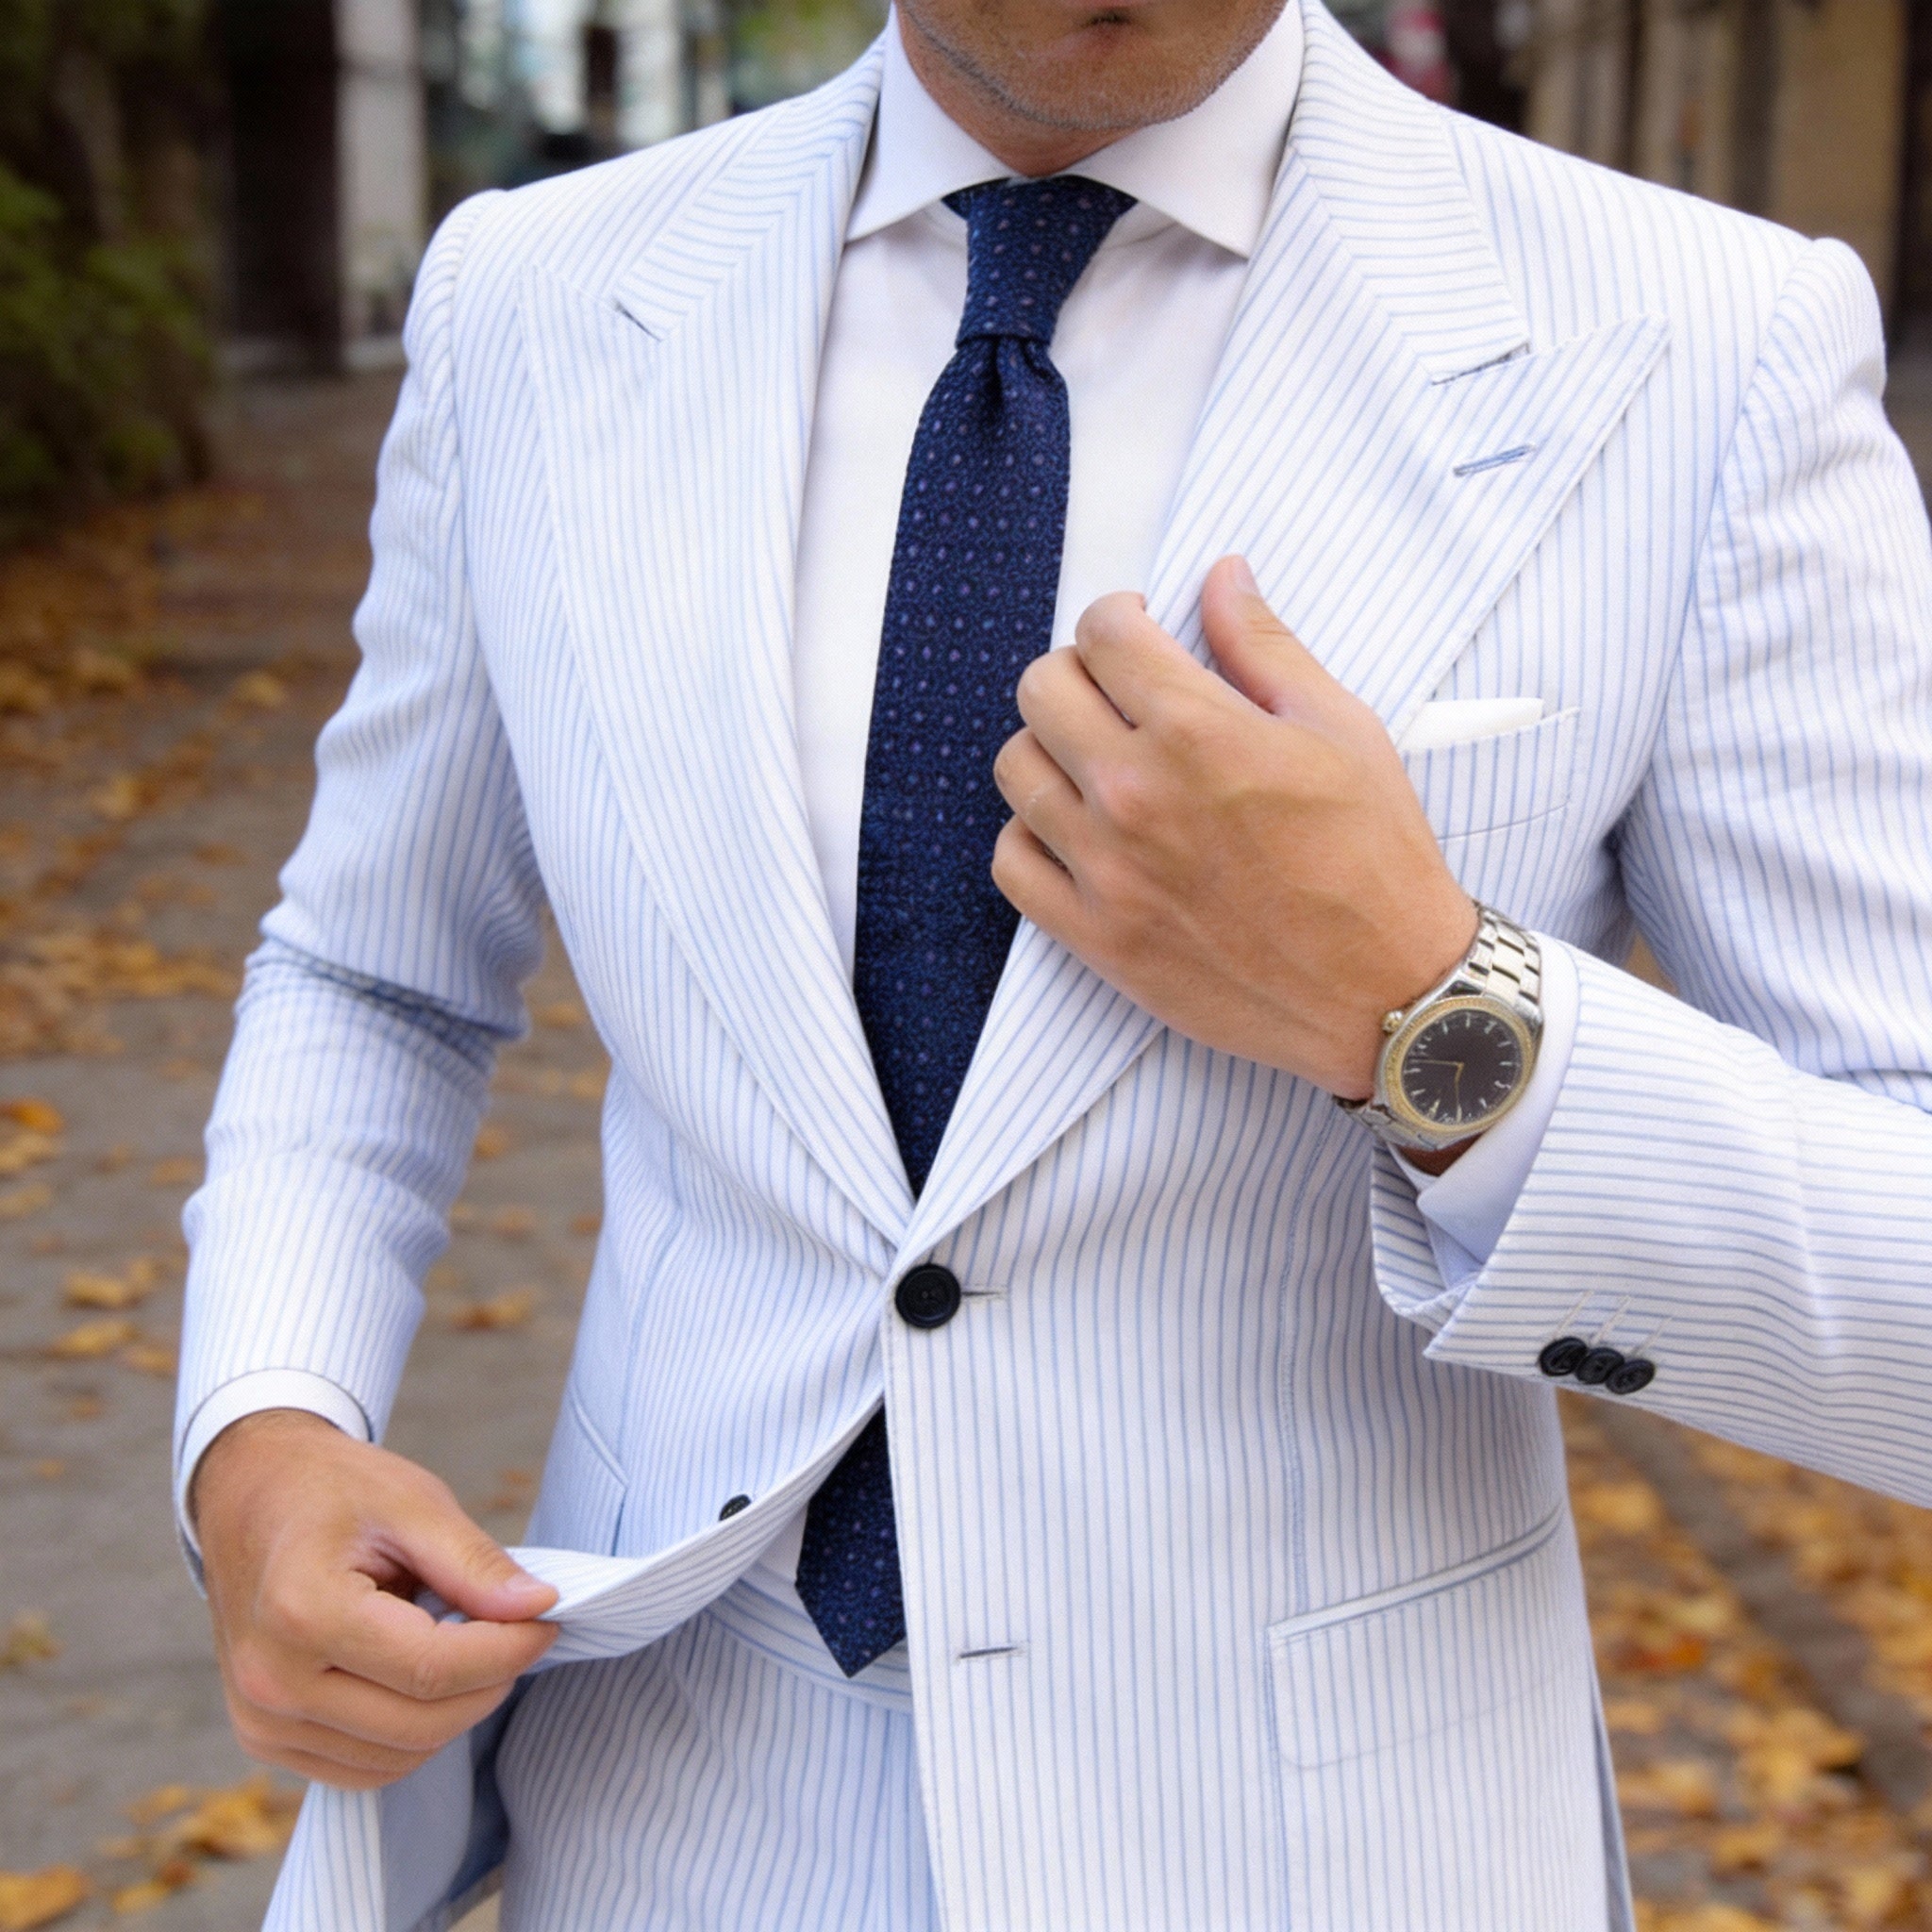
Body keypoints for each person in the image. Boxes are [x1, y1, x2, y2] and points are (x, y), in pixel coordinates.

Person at [175, 0, 1932, 1924]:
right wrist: (266, 1433)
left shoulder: (1705, 343)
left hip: (1324, 1847)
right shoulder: (533, 295)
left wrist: (1432, 1011)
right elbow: (373, 974)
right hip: (670, 1799)